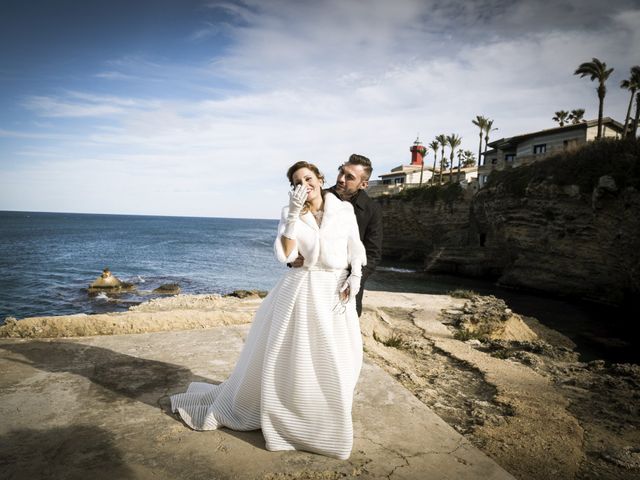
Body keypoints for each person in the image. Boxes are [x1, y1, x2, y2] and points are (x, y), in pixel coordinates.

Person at [170, 161, 367, 460]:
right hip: (301, 290)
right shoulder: (291, 214)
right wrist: (292, 215)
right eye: (298, 181)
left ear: (320, 179)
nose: (305, 184)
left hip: (336, 291)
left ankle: (327, 414)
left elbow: (356, 248)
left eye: (309, 178)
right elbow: (285, 254)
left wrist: (355, 277)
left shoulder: (344, 210)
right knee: (295, 358)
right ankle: (294, 417)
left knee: (341, 357)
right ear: (293, 188)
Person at [290, 154, 382, 316]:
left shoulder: (372, 210)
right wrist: (292, 257)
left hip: (345, 283)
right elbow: (291, 233)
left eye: (349, 177)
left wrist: (355, 279)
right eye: (341, 172)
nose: (341, 179)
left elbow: (373, 253)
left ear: (364, 184)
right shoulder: (317, 196)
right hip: (311, 283)